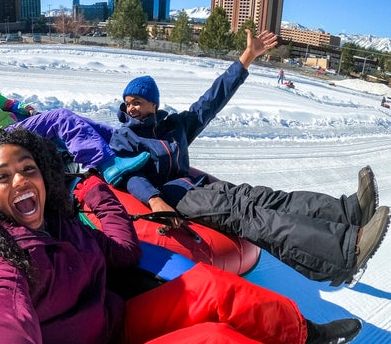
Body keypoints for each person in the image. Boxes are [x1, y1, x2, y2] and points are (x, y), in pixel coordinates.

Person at [0, 128, 387, 344]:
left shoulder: (65, 225)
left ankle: (300, 336)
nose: (21, 179)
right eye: (4, 177)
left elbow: (121, 251)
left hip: (116, 323)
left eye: (29, 168)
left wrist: (98, 197)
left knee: (207, 286)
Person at [108, 29, 389, 287]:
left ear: (153, 104)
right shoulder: (125, 137)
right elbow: (130, 174)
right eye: (128, 102)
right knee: (250, 215)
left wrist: (247, 57)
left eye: (138, 102)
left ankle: (349, 211)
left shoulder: (175, 125)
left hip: (199, 184)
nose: (131, 108)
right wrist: (155, 199)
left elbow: (212, 100)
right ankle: (345, 251)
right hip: (175, 194)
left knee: (266, 197)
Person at [0, 55, 150, 184]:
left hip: (14, 126)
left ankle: (128, 144)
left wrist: (26, 107)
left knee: (78, 119)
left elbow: (10, 104)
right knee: (61, 116)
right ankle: (107, 166)